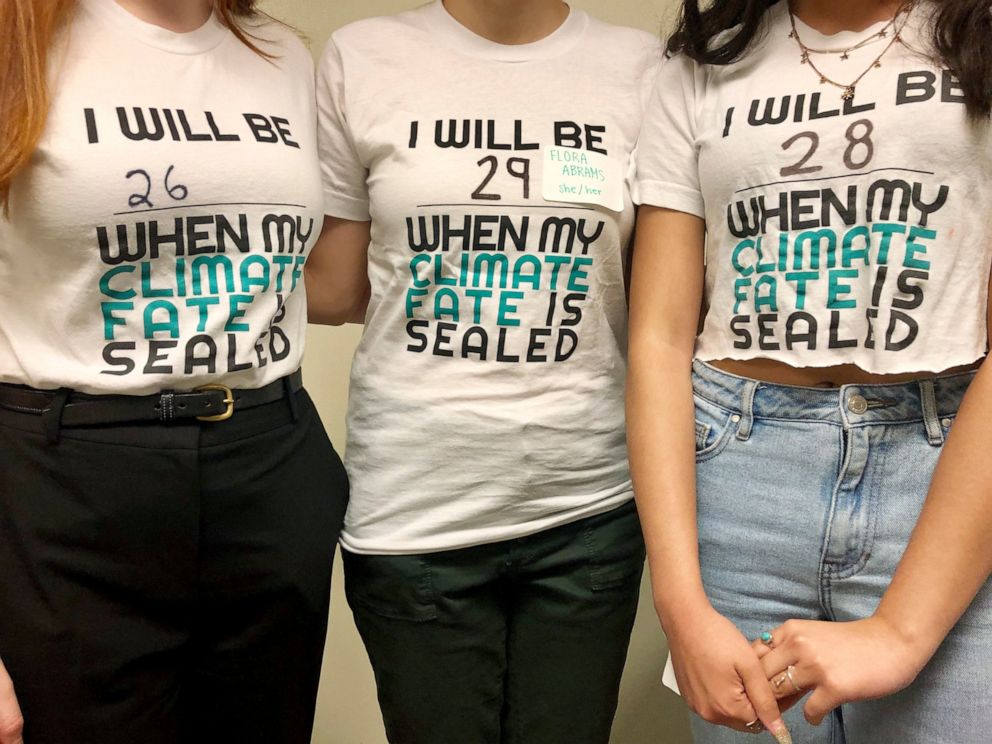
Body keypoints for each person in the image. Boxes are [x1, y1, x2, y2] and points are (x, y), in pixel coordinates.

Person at [628, 0, 992, 742]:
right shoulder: (704, 61)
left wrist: (900, 630)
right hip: (738, 482)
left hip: (948, 476)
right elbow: (659, 340)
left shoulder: (976, 36)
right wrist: (680, 601)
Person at [303, 1, 659, 741]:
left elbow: (659, 295)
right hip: (415, 516)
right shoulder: (361, 57)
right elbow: (336, 286)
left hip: (587, 509)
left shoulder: (642, 68)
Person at [0, 1, 348, 742]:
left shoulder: (281, 54)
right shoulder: (19, 35)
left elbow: (316, 277)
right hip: (66, 484)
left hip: (268, 466)